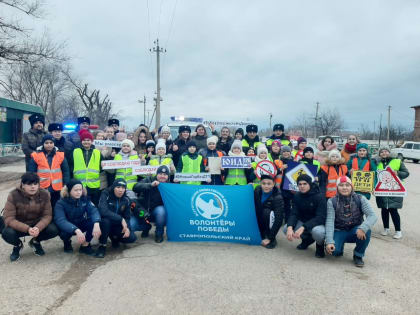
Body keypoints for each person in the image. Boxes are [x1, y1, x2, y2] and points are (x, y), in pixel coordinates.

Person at [2, 173, 59, 262]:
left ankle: (35, 241)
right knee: (6, 232)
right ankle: (17, 245)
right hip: (19, 225)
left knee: (54, 229)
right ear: (23, 185)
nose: (33, 187)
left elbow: (47, 215)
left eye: (35, 184)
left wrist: (37, 227)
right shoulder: (13, 195)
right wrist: (27, 229)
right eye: (29, 184)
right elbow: (9, 218)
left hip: (36, 224)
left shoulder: (45, 194)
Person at [325, 176, 377, 267]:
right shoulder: (331, 201)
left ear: (351, 187)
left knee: (367, 230)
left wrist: (363, 228)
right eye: (341, 185)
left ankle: (358, 255)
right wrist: (329, 241)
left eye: (347, 185)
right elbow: (329, 222)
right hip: (339, 230)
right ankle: (339, 247)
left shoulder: (360, 198)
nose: (344, 188)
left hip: (355, 230)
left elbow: (372, 216)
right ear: (337, 188)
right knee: (335, 252)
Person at [54, 179, 102, 256]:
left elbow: (93, 210)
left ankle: (85, 245)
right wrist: (76, 230)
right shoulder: (60, 203)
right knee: (62, 231)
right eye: (76, 190)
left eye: (80, 189)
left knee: (94, 223)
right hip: (68, 225)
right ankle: (67, 242)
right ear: (69, 191)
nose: (79, 192)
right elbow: (60, 220)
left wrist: (96, 223)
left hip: (80, 222)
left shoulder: (84, 199)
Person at [284, 174, 326, 258]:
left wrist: (304, 227)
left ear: (309, 184)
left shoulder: (319, 196)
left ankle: (319, 246)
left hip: (317, 223)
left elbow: (320, 217)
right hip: (304, 221)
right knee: (286, 228)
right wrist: (290, 227)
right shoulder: (297, 196)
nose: (302, 186)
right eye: (300, 184)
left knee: (318, 233)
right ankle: (307, 240)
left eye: (305, 184)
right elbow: (294, 213)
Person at [375, 147, 409, 239]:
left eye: (386, 151)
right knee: (384, 210)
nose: (384, 153)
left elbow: (406, 173)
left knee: (393, 210)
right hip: (382, 191)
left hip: (395, 190)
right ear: (379, 154)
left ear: (389, 152)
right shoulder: (377, 163)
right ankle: (386, 228)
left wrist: (397, 173)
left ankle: (398, 231)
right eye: (381, 152)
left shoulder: (397, 161)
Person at [96, 179, 136, 258]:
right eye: (118, 187)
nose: (121, 190)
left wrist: (127, 228)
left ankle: (115, 238)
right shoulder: (105, 194)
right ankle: (102, 245)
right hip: (105, 223)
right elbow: (103, 211)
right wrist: (120, 219)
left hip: (117, 225)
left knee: (132, 238)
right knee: (105, 221)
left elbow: (127, 217)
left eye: (123, 188)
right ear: (113, 187)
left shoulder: (126, 199)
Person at [28, 134, 70, 209]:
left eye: (51, 143)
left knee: (56, 206)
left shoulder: (60, 155)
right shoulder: (36, 156)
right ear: (43, 144)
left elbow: (66, 171)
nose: (49, 145)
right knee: (43, 207)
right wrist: (33, 185)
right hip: (42, 187)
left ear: (54, 144)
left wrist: (65, 185)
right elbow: (31, 173)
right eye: (46, 143)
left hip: (57, 188)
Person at [132, 165, 170, 243]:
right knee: (132, 225)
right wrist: (150, 185)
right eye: (160, 174)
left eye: (165, 174)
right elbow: (135, 187)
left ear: (168, 176)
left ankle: (159, 234)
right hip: (143, 211)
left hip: (157, 213)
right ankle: (146, 227)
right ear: (156, 174)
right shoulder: (149, 179)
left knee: (161, 211)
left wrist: (178, 183)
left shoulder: (169, 185)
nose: (162, 176)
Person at [254, 174, 284, 249]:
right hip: (259, 218)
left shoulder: (278, 197)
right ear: (260, 183)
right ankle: (260, 232)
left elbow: (279, 219)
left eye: (269, 184)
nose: (266, 186)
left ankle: (270, 236)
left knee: (266, 212)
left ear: (273, 184)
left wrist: (271, 237)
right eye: (264, 183)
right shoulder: (257, 190)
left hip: (269, 219)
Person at [72, 130, 102, 206]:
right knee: (80, 205)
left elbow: (102, 165)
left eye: (88, 140)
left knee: (93, 205)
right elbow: (70, 165)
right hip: (79, 185)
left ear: (91, 141)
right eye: (84, 140)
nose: (86, 142)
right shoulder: (75, 151)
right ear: (81, 141)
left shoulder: (97, 152)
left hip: (94, 186)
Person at [279, 145, 294, 221]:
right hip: (282, 186)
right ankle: (286, 220)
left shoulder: (294, 162)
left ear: (290, 152)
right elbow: (274, 173)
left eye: (287, 151)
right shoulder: (278, 161)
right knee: (285, 204)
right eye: (284, 151)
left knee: (293, 205)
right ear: (281, 152)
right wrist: (281, 169)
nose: (286, 153)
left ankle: (291, 220)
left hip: (292, 187)